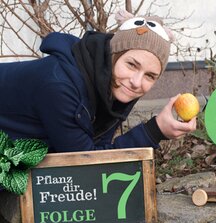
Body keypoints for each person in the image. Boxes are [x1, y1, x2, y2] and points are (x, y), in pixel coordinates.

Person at [0, 10, 197, 153]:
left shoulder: (115, 83)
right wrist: (155, 131)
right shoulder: (60, 86)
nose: (137, 82)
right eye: (131, 64)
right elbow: (87, 165)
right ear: (113, 54)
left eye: (150, 76)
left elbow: (99, 149)